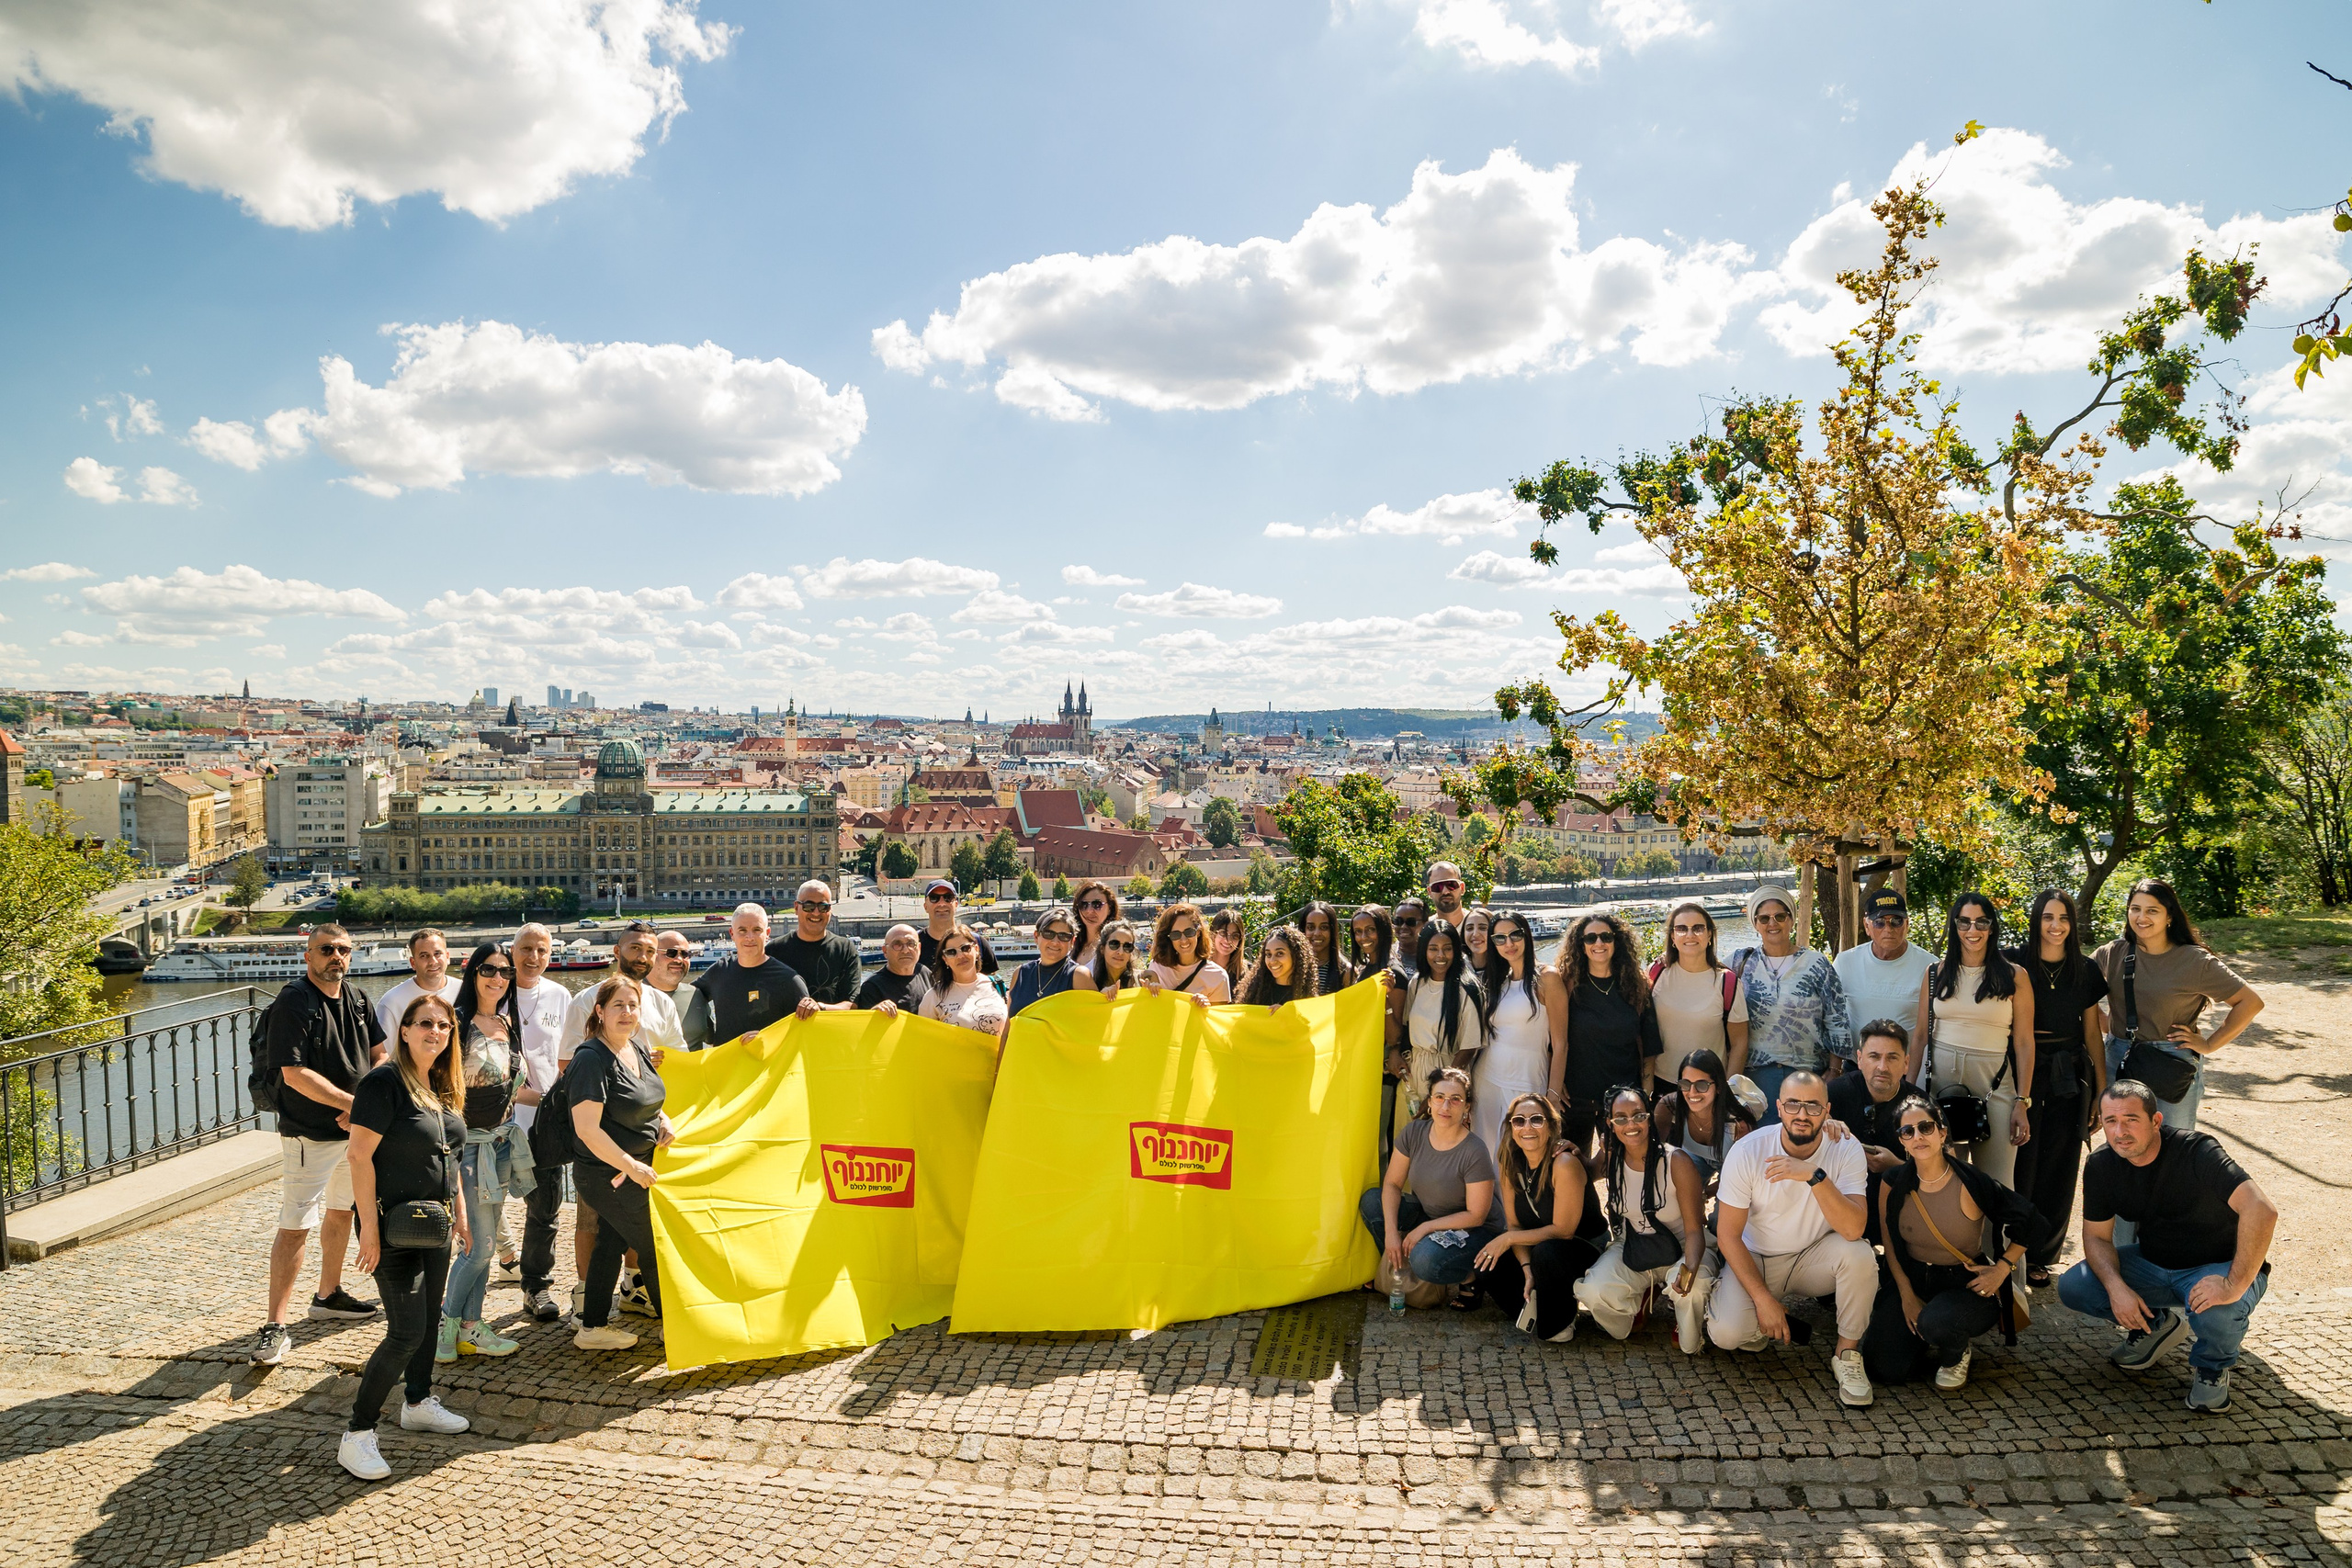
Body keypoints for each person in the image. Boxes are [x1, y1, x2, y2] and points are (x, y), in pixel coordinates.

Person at [2058, 1081, 2278, 1412]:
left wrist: (2233, 1285)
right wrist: (2118, 1288)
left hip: (2217, 1266)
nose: (2120, 1131)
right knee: (2076, 1286)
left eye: (2131, 1119)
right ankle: (2157, 1323)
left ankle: (2211, 1370)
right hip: (2153, 1263)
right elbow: (2097, 1237)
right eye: (2110, 1121)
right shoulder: (2102, 1164)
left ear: (2156, 1121)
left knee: (2218, 1309)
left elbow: (2261, 1210)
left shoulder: (2197, 1151)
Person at [337, 992, 470, 1481]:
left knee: (430, 1320)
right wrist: (368, 1232)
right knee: (405, 1332)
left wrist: (460, 1214)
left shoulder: (439, 1084)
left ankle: (417, 1402)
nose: (435, 1032)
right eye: (425, 1023)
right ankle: (357, 1433)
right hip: (392, 1227)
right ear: (406, 1030)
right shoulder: (383, 1082)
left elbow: (449, 1156)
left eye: (443, 1025)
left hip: (433, 1224)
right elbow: (358, 1156)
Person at [1706, 1071, 1878, 1408]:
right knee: (1728, 1335)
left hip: (1813, 1256)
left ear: (1827, 1110)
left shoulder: (1846, 1147)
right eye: (1794, 1105)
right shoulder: (1748, 1151)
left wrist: (1814, 1177)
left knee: (1859, 1255)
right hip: (1757, 1256)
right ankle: (1721, 1292)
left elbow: (1855, 1229)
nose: (1803, 1115)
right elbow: (1727, 1234)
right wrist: (1763, 1300)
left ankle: (1847, 1354)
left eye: (1813, 1106)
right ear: (1779, 1108)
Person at [255, 924, 387, 1366]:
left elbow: (381, 1054)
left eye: (344, 950)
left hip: (354, 1132)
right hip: (308, 1131)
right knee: (296, 1223)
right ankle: (275, 1325)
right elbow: (293, 1073)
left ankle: (327, 1296)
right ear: (308, 955)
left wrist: (366, 1104)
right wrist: (355, 1104)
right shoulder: (293, 1002)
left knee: (341, 1210)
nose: (337, 957)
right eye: (327, 950)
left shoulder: (358, 998)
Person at [1864, 1093, 2045, 1392]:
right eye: (1907, 1131)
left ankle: (1955, 1352)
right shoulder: (1893, 1181)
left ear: (1942, 1132)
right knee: (1882, 1368)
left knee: (1936, 1322)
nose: (1918, 1136)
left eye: (1925, 1127)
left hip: (1965, 1283)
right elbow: (1890, 1245)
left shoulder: (1971, 1182)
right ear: (1901, 1140)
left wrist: (2002, 1269)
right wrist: (1907, 1296)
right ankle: (1923, 1337)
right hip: (1912, 1278)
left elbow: (2033, 1221)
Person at [557, 925, 682, 1325]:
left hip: (633, 1164)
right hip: (610, 1170)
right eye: (619, 1006)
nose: (627, 1012)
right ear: (600, 1011)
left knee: (611, 1242)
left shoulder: (636, 1049)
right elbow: (588, 1129)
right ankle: (676, 1325)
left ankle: (593, 1324)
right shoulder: (591, 1056)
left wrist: (665, 1121)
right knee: (653, 1244)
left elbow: (650, 1097)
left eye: (633, 1006)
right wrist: (632, 1166)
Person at [2091, 878, 2263, 1135]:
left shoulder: (2193, 960)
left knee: (2173, 1144)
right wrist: (2109, 1025)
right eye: (2135, 909)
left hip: (2169, 1061)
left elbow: (2250, 1003)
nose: (2141, 917)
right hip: (2118, 1056)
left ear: (2169, 916)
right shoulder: (2113, 952)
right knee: (2122, 1143)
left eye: (2152, 910)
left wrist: (2209, 1044)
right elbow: (2078, 988)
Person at [2007, 887, 2109, 1286]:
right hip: (2022, 1071)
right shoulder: (2013, 961)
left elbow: (2093, 1033)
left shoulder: (2085, 970)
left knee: (2060, 1166)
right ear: (2036, 921)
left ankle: (2041, 1255)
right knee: (2021, 1160)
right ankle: (2009, 1247)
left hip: (2069, 1075)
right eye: (2048, 917)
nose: (2056, 926)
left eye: (2063, 918)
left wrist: (2102, 1089)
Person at [435, 943, 529, 1364]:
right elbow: (437, 1090)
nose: (498, 978)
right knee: (478, 1245)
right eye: (488, 969)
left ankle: (471, 1329)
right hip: (468, 1148)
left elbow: (509, 1086)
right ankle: (444, 1329)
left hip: (501, 1144)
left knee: (483, 1246)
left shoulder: (507, 1021)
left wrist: (553, 1099)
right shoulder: (455, 1023)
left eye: (506, 972)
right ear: (472, 973)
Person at [1576, 1085, 1714, 1353]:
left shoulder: (1677, 1161)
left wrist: (1690, 1269)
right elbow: (1588, 1173)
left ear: (1649, 1117)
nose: (1631, 1124)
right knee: (1594, 1291)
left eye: (1639, 1115)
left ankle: (1689, 1314)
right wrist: (1569, 1151)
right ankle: (1639, 1297)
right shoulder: (1612, 1157)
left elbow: (1696, 1230)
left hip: (1684, 1247)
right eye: (1621, 1118)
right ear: (1610, 1123)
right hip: (1636, 1247)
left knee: (1689, 1320)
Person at [1912, 893, 2034, 1186]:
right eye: (1964, 922)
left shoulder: (2014, 976)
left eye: (1981, 922)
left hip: (1994, 1085)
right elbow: (1918, 1037)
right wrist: (1906, 1091)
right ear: (1954, 927)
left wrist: (2022, 1101)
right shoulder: (1934, 973)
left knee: (1997, 1185)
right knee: (1939, 1181)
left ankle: (1996, 1236)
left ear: (1992, 927)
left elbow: (2025, 1043)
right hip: (1939, 1085)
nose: (1972, 930)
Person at [1360, 1068, 1497, 1303]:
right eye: (1439, 1097)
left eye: (1455, 1100)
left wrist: (1424, 1229)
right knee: (1372, 1201)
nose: (1446, 1106)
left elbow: (1476, 1216)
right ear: (1430, 1101)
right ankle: (1399, 1268)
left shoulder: (1475, 1150)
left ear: (1467, 1108)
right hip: (1428, 1214)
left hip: (1471, 1229)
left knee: (1426, 1260)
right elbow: (1392, 1184)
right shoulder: (1414, 1132)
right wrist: (1391, 1234)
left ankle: (1467, 1278)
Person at [1476, 1091, 1606, 1337]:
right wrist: (1526, 1268)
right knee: (1487, 1263)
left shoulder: (1563, 1163)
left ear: (1551, 1125)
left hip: (1584, 1247)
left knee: (1545, 1254)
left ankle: (1561, 1315)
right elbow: (1514, 1225)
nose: (1527, 1127)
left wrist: (1507, 1239)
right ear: (1511, 1127)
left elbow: (1564, 1232)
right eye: (1519, 1121)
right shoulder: (1509, 1161)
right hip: (1540, 1251)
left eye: (1536, 1119)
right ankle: (1537, 1305)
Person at [1725, 886, 1851, 1118]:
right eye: (1764, 918)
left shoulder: (1816, 964)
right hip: (1755, 1079)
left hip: (1808, 1076)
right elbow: (1705, 975)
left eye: (1780, 916)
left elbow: (1837, 1018)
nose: (1772, 923)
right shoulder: (1739, 961)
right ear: (1755, 923)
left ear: (1791, 920)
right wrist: (1667, 960)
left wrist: (1835, 1069)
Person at [1544, 911, 1662, 1156]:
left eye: (1606, 937)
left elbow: (1649, 1045)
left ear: (1616, 941)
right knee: (1571, 1166)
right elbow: (1550, 1039)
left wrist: (1645, 1091)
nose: (1599, 944)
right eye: (1591, 938)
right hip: (1575, 1098)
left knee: (1624, 1167)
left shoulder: (1636, 984)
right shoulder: (1566, 984)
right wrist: (1555, 1080)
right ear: (1581, 945)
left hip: (1623, 1098)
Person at [509, 922, 574, 1322]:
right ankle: (460, 1302)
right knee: (482, 1207)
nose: (534, 957)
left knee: (545, 1209)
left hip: (544, 1121)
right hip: (497, 1120)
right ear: (512, 951)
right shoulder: (495, 991)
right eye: (526, 949)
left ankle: (536, 1286)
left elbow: (566, 1054)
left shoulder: (559, 994)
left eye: (542, 950)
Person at [1471, 910, 1552, 1160]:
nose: (1509, 944)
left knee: (1523, 1155)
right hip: (1486, 1081)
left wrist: (1555, 1093)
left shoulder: (1547, 977)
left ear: (1526, 935)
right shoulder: (1496, 983)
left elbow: (1562, 1044)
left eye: (1515, 935)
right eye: (1499, 938)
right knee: (1487, 1152)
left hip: (1527, 1080)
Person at [1389, 919, 1484, 1122]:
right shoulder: (1418, 982)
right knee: (1406, 1142)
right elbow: (1406, 1027)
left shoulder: (1467, 989)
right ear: (1424, 950)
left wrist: (1439, 1091)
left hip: (1447, 1078)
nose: (1440, 956)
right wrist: (1396, 1052)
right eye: (1433, 949)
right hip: (1412, 1075)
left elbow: (1468, 1048)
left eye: (1447, 949)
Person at [1645, 902, 1748, 1085]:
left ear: (1709, 934)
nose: (1690, 935)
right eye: (1681, 929)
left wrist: (1729, 1092)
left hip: (1708, 1086)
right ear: (1672, 936)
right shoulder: (1657, 973)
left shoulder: (1727, 983)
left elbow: (1740, 1044)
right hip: (1661, 1082)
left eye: (1698, 928)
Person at [691, 902, 813, 1047]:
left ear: (767, 934)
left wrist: (770, 1038)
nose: (750, 937)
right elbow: (688, 998)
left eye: (757, 930)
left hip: (769, 1067)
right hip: (726, 1066)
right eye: (742, 930)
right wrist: (708, 1033)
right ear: (732, 934)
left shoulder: (789, 980)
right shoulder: (719, 971)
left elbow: (805, 1032)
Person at [1832, 889, 1934, 1055]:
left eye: (1896, 921)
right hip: (1856, 1066)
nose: (1888, 928)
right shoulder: (1845, 962)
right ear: (1867, 925)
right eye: (1879, 922)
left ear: (1907, 924)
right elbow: (1831, 1017)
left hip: (1908, 1069)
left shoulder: (1929, 966)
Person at [1825, 1021, 1921, 1179]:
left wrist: (1897, 1166)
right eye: (1874, 1057)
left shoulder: (1921, 1106)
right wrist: (1824, 1123)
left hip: (1898, 1197)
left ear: (1906, 1064)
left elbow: (1944, 1170)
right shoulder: (1835, 1093)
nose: (1882, 1067)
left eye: (1892, 1058)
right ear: (1860, 1060)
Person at [1653, 1046, 1755, 1190]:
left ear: (1719, 1087)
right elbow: (1654, 1156)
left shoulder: (1739, 1122)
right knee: (1672, 1192)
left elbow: (1744, 1178)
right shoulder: (1670, 1105)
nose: (1692, 1093)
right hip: (1693, 1159)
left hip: (1736, 1171)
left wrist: (1704, 1193)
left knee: (1723, 1210)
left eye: (1702, 1085)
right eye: (1685, 1084)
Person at [767, 879, 862, 1007]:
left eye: (823, 907)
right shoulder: (774, 951)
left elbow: (852, 1004)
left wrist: (819, 1009)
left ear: (830, 910)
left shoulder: (845, 949)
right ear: (796, 908)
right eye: (809, 906)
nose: (816, 912)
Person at [921, 920, 1012, 1037]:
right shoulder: (933, 997)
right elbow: (925, 1040)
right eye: (951, 952)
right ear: (945, 959)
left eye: (965, 948)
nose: (960, 956)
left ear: (977, 950)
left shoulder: (996, 986)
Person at [373, 927, 458, 1040]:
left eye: (437, 954)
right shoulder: (391, 1002)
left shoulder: (465, 991)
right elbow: (385, 1053)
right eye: (424, 956)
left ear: (447, 957)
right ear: (413, 963)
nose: (433, 961)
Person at [1006, 907, 1080, 1021]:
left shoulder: (1078, 976)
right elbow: (1008, 1024)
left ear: (1072, 942)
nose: (1055, 942)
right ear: (1036, 936)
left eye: (1064, 936)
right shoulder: (1020, 973)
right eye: (1048, 934)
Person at [1147, 902, 1232, 1001]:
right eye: (1176, 934)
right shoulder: (1157, 968)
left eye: (1189, 932)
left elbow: (1217, 1016)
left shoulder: (1218, 976)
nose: (1183, 940)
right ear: (1168, 938)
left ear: (1199, 932)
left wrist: (1205, 1006)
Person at [919, 879, 1000, 974]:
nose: (941, 903)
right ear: (925, 906)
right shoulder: (912, 945)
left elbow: (989, 984)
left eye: (948, 897)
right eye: (934, 898)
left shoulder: (976, 942)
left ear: (956, 904)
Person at [1235, 923, 1319, 1010]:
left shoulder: (1307, 996)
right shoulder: (1254, 992)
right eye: (1268, 954)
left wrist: (1288, 1014)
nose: (1272, 961)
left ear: (1296, 955)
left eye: (1280, 953)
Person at [855, 924, 931, 1013]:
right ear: (885, 951)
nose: (905, 950)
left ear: (919, 948)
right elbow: (864, 1024)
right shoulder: (872, 987)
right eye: (897, 945)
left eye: (911, 944)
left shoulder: (925, 973)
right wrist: (874, 1012)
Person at [1074, 918, 1147, 995]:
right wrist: (1099, 998)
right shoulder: (1089, 985)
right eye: (1114, 944)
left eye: (1127, 946)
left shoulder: (1145, 978)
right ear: (1102, 949)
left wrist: (1155, 993)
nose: (1121, 952)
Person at [1299, 902, 1352, 993]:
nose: (1317, 933)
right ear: (1303, 930)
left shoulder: (1345, 971)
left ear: (1332, 931)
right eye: (1311, 927)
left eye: (1324, 927)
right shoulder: (1294, 966)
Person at [1068, 879, 1117, 967]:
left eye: (1097, 904)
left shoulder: (1115, 945)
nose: (1089, 910)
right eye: (1084, 905)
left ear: (1110, 908)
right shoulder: (1071, 944)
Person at [1207, 907, 1251, 990]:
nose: (1228, 940)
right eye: (1223, 933)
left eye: (1235, 936)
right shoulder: (1198, 967)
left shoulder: (1247, 972)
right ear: (1213, 933)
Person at [1348, 906, 1395, 978]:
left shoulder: (1392, 973)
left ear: (1384, 930)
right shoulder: (1363, 968)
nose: (1363, 937)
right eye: (1358, 931)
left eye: (1370, 930)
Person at [1423, 863, 1469, 931]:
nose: (1445, 891)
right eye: (1437, 886)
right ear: (1429, 892)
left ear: (1462, 888)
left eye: (1451, 884)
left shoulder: (1480, 925)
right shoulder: (1425, 929)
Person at [1389, 898, 1429, 978]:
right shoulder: (1386, 955)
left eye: (1411, 922)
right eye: (1398, 921)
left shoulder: (1433, 958)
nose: (1404, 927)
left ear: (1425, 925)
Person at [1459, 908, 1492, 974]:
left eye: (1483, 928)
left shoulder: (1508, 971)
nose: (1475, 934)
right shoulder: (1456, 968)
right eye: (1470, 928)